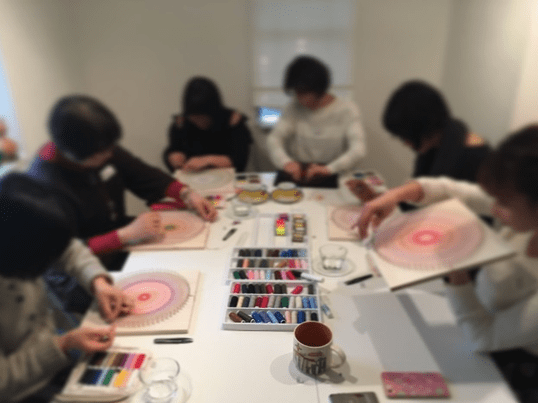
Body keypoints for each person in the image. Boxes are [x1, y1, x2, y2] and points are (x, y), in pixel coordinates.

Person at [356, 126, 538, 402]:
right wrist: (396, 195)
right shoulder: (525, 217)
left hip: (507, 367)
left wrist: (457, 274)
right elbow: (453, 191)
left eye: (505, 202)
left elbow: (483, 337)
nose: (494, 208)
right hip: (473, 321)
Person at [26, 95, 217, 313]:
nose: (111, 154)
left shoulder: (97, 147)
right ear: (75, 154)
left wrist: (185, 193)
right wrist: (125, 235)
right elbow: (66, 254)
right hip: (78, 279)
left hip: (117, 239)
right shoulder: (43, 184)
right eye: (103, 153)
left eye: (111, 147)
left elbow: (142, 174)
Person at [0, 173, 133, 402]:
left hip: (54, 356)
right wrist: (62, 345)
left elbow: (66, 247)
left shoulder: (17, 232)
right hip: (23, 391)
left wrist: (98, 282)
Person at [347, 81, 490, 202]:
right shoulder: (438, 146)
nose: (405, 143)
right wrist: (376, 198)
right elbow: (419, 196)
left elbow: (441, 202)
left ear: (422, 127)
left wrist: (389, 198)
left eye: (405, 136)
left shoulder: (475, 154)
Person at [266, 55, 366, 183]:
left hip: (333, 171)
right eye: (295, 92)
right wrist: (286, 162)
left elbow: (358, 150)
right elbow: (273, 139)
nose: (297, 97)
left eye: (302, 92)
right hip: (300, 172)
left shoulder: (347, 109)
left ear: (319, 89)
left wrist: (329, 169)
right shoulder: (293, 107)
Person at [163, 77, 252, 172]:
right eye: (194, 117)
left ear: (214, 111)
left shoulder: (232, 120)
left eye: (204, 117)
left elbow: (240, 162)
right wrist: (173, 157)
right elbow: (173, 149)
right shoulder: (181, 123)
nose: (199, 121)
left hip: (226, 177)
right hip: (191, 176)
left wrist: (209, 160)